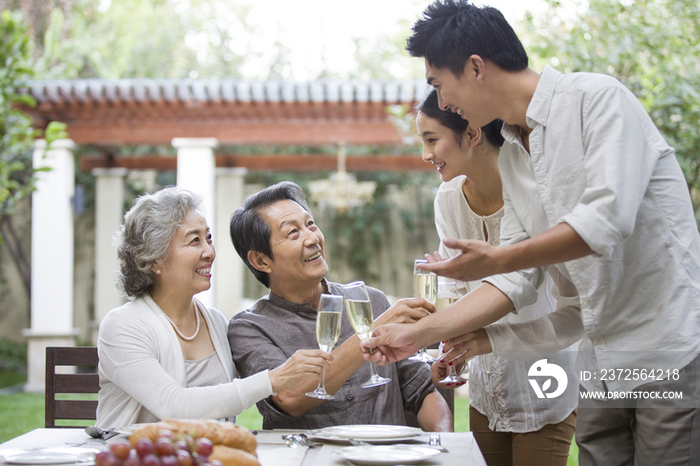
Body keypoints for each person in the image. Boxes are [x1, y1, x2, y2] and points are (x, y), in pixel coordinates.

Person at [362, 1, 700, 465]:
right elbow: (516, 280)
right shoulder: (515, 158)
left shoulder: (597, 99)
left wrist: (498, 259)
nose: (442, 104)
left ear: (476, 67)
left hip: (666, 351)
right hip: (598, 365)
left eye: (439, 85)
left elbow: (607, 220)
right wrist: (420, 335)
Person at [417, 88, 577, 466]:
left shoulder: (539, 197)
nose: (425, 154)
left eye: (431, 140)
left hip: (545, 387)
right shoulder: (449, 199)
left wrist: (421, 333)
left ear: (471, 134)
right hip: (486, 394)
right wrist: (451, 350)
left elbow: (563, 304)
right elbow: (457, 294)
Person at [96, 187, 332, 429]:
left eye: (208, 238)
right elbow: (172, 406)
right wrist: (272, 379)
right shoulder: (123, 326)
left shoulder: (216, 323)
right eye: (194, 241)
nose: (209, 252)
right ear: (155, 259)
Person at [227, 181, 452, 431]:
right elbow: (290, 399)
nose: (312, 238)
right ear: (261, 260)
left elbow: (421, 391)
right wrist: (374, 330)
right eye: (293, 232)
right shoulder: (248, 328)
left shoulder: (370, 301)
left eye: (310, 224)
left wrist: (447, 444)